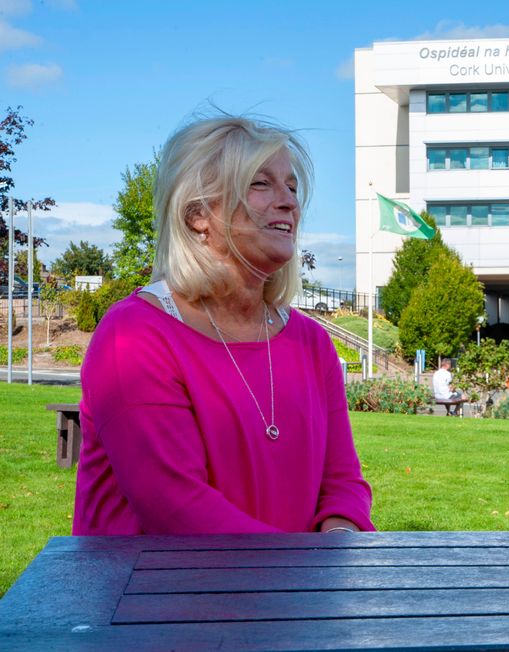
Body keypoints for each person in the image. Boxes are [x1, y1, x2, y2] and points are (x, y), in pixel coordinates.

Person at [73, 115, 374, 535]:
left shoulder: (312, 342)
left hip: (295, 594)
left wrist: (339, 543)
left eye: (291, 186)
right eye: (260, 183)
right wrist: (306, 574)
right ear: (198, 214)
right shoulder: (134, 336)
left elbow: (342, 482)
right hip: (152, 596)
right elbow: (177, 508)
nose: (289, 201)